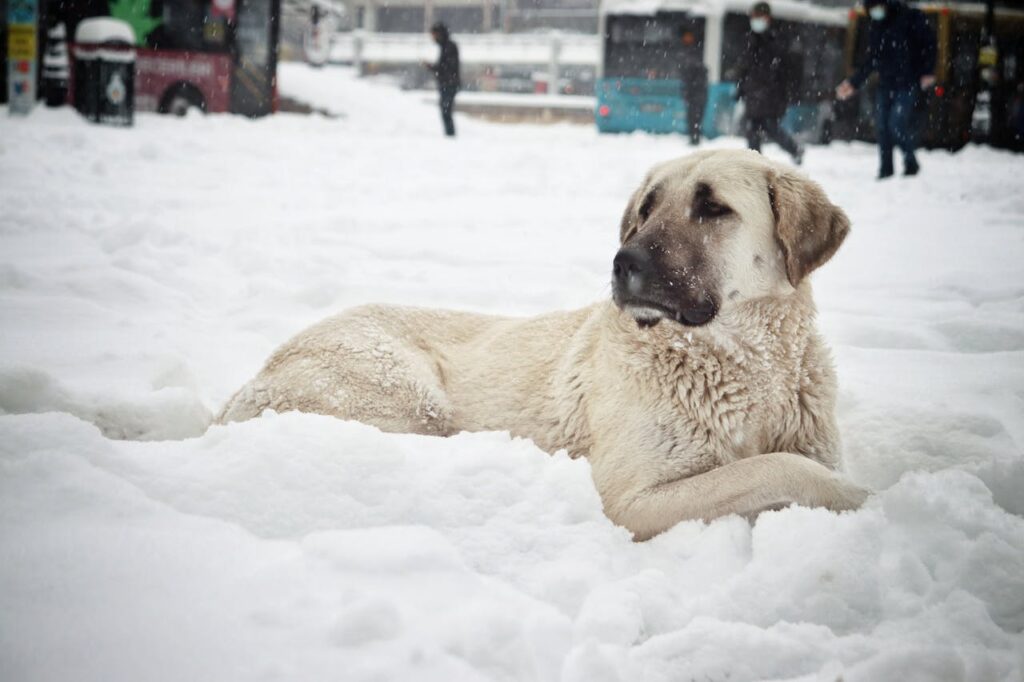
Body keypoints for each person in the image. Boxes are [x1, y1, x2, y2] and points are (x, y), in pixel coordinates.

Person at [836, 0, 936, 178]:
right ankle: (886, 169)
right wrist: (853, 83)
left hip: (907, 82)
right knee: (882, 127)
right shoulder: (877, 25)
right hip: (886, 83)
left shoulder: (909, 17)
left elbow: (928, 44)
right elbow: (872, 59)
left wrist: (928, 71)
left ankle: (910, 162)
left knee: (896, 123)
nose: (874, 12)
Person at [734, 2, 803, 164]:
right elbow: (744, 67)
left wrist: (785, 94)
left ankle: (794, 149)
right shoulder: (749, 39)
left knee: (770, 128)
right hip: (752, 93)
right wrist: (741, 88)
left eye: (758, 17)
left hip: (771, 96)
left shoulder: (776, 41)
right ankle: (755, 163)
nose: (755, 20)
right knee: (752, 130)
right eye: (753, 17)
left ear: (767, 18)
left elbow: (785, 72)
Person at [422, 22, 461, 137]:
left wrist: (431, 67)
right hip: (448, 83)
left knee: (446, 110)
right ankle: (450, 135)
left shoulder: (449, 47)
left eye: (433, 35)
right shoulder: (446, 46)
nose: (432, 38)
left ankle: (450, 135)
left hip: (449, 84)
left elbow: (447, 67)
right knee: (445, 110)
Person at [678, 29, 708, 146]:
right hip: (692, 93)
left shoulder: (695, 52)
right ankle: (694, 136)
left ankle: (695, 137)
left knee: (695, 116)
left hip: (697, 93)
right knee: (692, 116)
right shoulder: (684, 51)